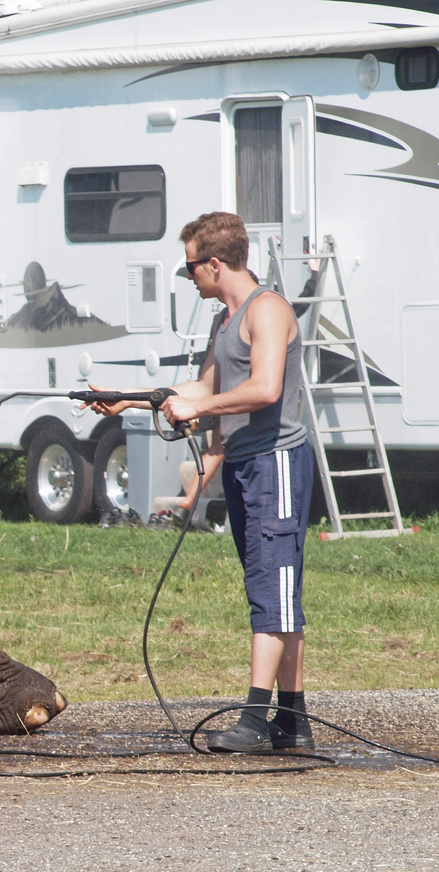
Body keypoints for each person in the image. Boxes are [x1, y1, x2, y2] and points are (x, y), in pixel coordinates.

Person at [86, 211, 314, 753]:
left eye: (190, 269)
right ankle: (293, 720)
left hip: (275, 462)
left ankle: (257, 722)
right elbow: (206, 383)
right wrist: (133, 399)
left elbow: (263, 388)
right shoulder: (227, 320)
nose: (189, 279)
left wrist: (198, 406)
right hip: (243, 464)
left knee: (272, 590)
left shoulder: (270, 311)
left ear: (215, 263)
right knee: (275, 588)